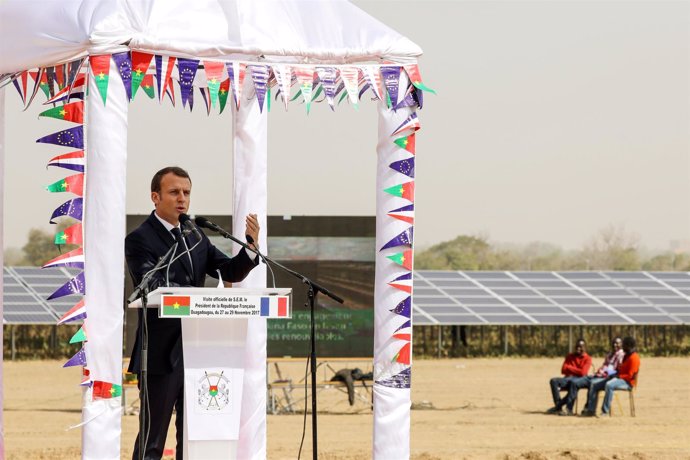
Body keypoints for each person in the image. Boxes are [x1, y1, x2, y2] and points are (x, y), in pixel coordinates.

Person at [126, 166, 260, 460]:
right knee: (152, 439)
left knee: (193, 439)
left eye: (186, 192)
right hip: (161, 353)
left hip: (199, 353)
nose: (182, 199)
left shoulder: (195, 235)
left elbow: (229, 271)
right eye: (174, 192)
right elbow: (151, 283)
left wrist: (250, 248)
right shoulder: (140, 239)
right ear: (155, 197)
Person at [554, 337, 624, 415]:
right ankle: (569, 409)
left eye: (617, 343)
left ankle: (589, 409)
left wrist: (606, 372)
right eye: (613, 343)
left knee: (593, 384)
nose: (615, 345)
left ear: (621, 344)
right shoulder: (609, 354)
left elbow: (618, 370)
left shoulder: (621, 355)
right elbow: (604, 365)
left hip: (606, 378)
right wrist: (600, 370)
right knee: (574, 382)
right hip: (597, 375)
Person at [582, 336, 640, 416]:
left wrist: (618, 377)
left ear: (629, 346)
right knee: (594, 384)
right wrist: (613, 374)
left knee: (609, 385)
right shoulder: (626, 356)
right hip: (619, 377)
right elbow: (620, 369)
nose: (623, 347)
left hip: (628, 382)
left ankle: (604, 411)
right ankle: (591, 410)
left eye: (624, 345)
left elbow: (630, 375)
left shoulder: (634, 358)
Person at [546, 339, 592, 415]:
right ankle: (558, 407)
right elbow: (563, 370)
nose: (578, 348)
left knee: (573, 383)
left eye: (580, 347)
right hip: (567, 378)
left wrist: (569, 368)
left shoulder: (588, 358)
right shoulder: (570, 356)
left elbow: (583, 373)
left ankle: (559, 407)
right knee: (553, 381)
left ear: (585, 348)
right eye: (577, 346)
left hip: (578, 380)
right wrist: (576, 370)